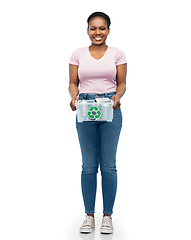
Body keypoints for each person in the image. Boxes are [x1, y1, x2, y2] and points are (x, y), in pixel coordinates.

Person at [68, 12, 127, 234]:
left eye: (102, 28)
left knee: (109, 165)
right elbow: (73, 83)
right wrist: (74, 97)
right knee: (89, 166)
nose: (97, 32)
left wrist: (118, 96)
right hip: (85, 107)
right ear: (87, 30)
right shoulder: (77, 54)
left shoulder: (117, 54)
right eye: (93, 28)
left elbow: (122, 83)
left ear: (109, 30)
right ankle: (89, 215)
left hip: (110, 107)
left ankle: (108, 216)